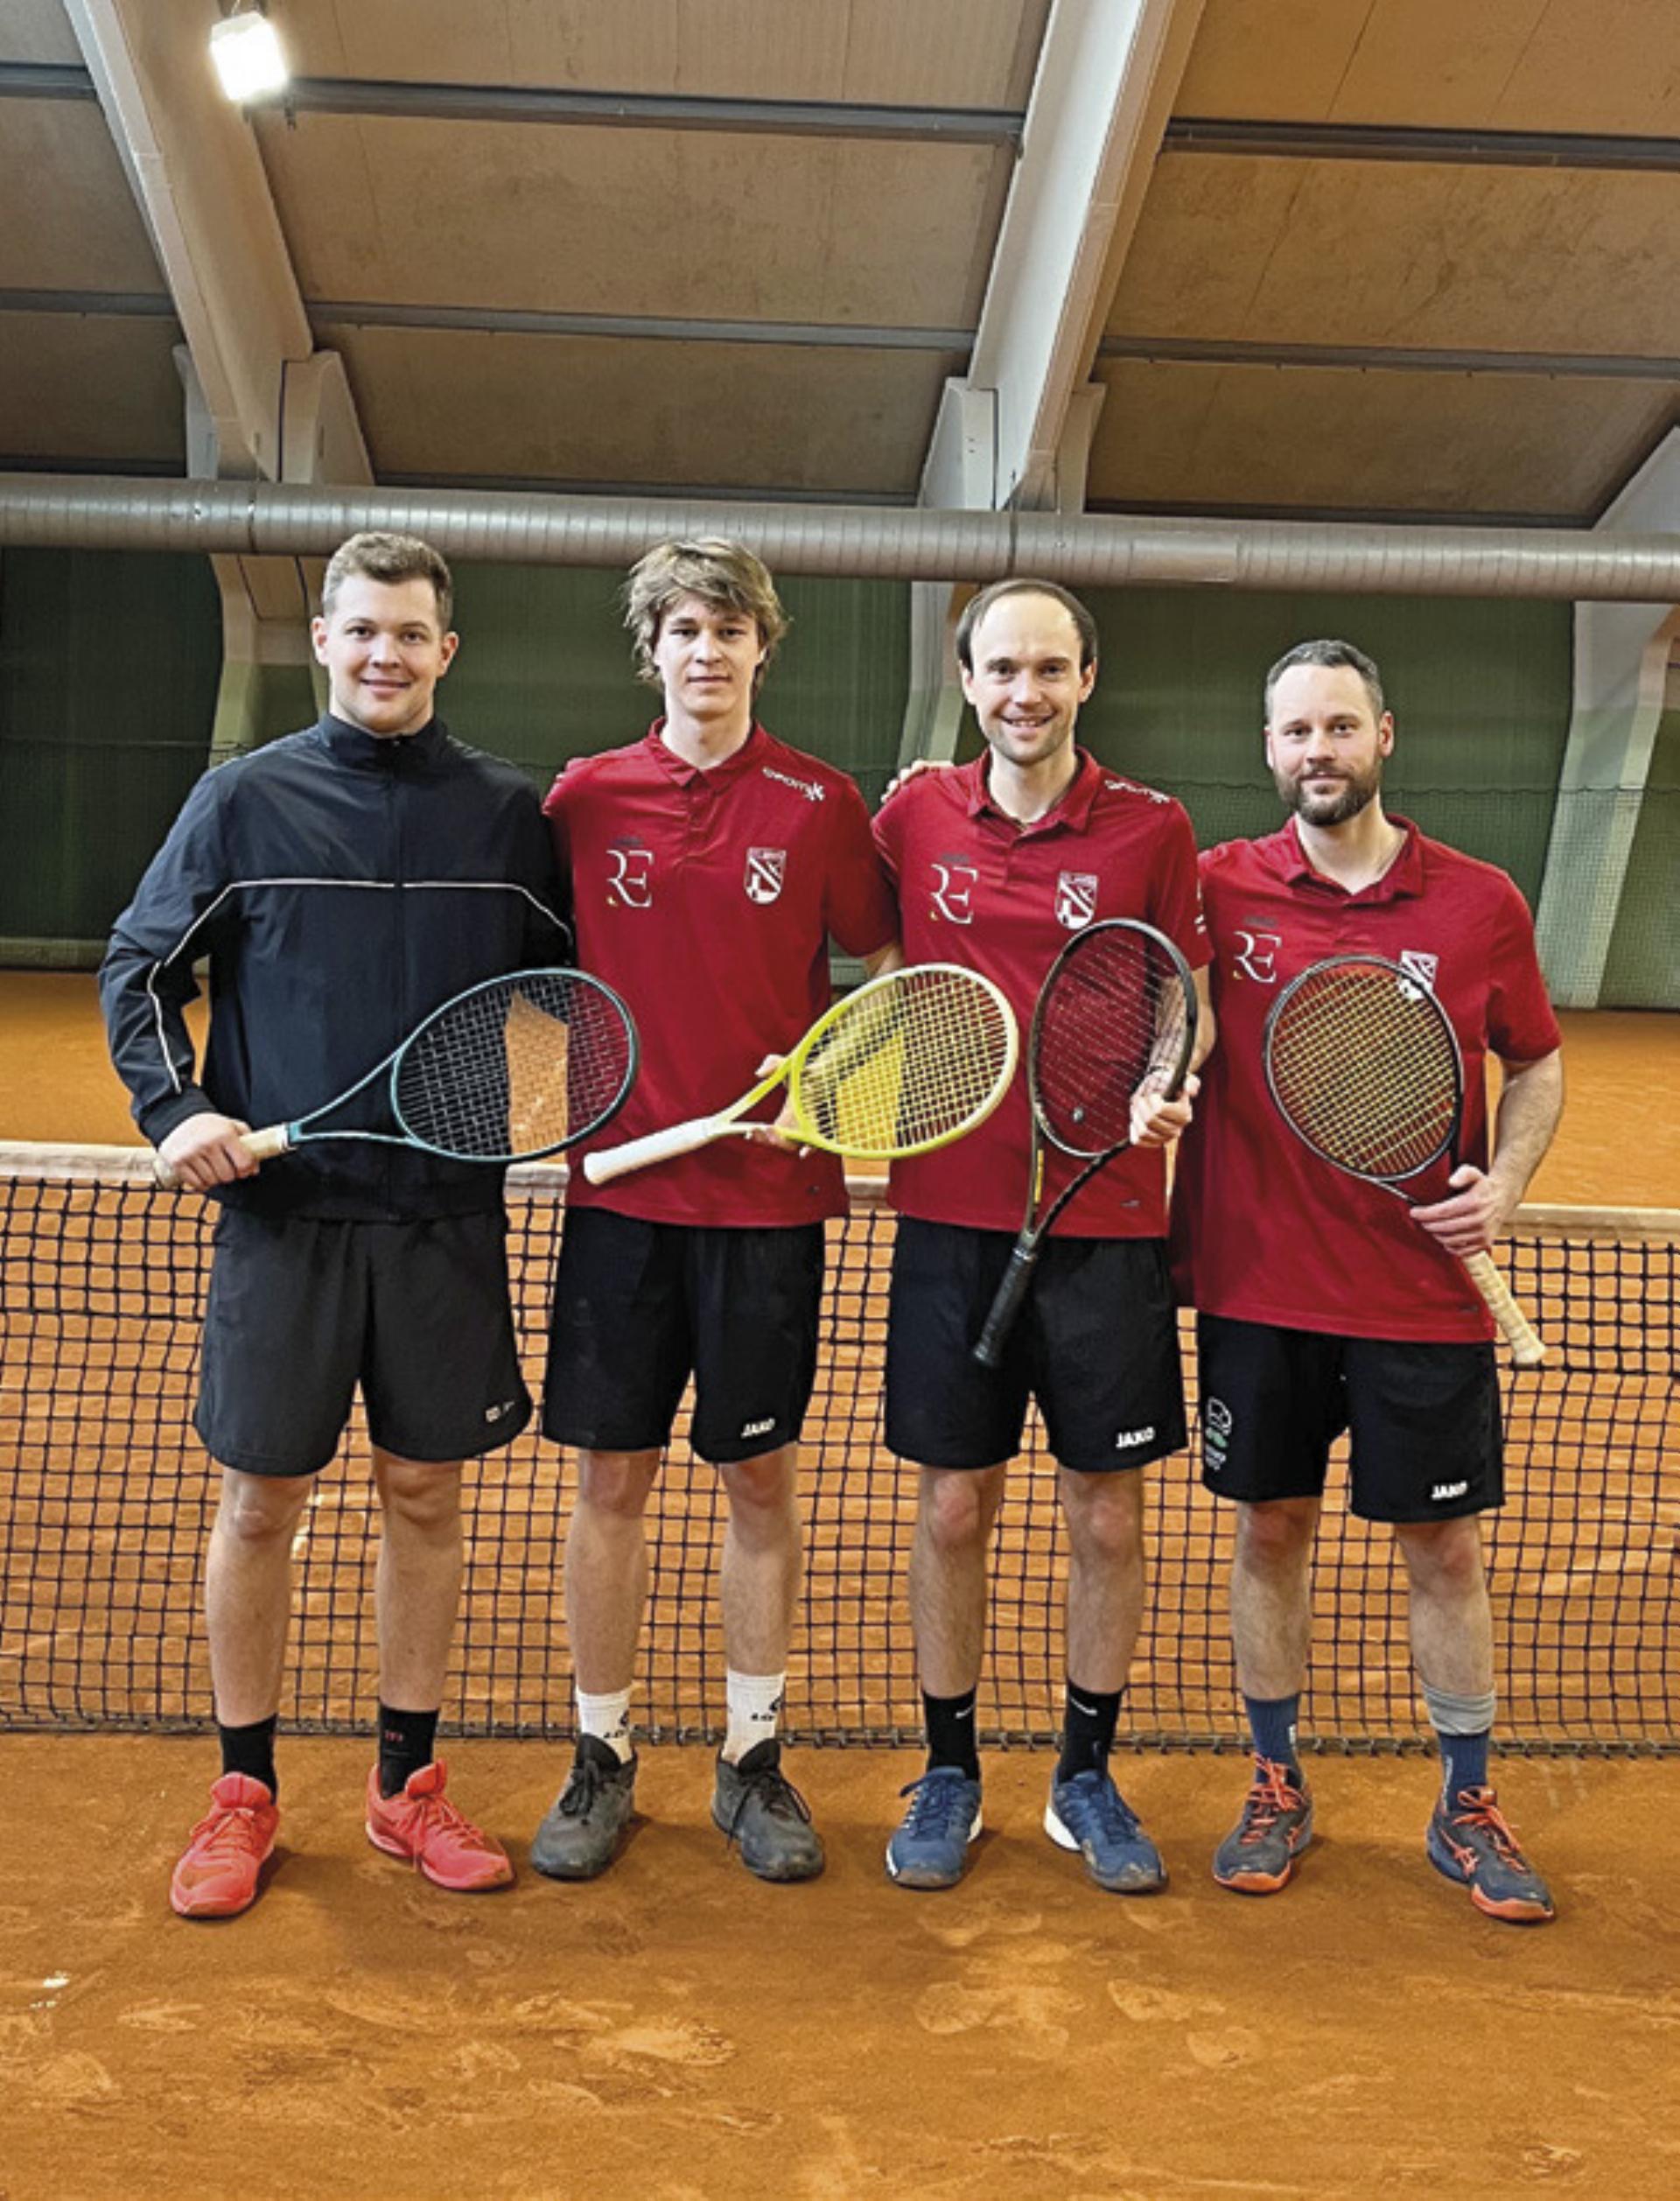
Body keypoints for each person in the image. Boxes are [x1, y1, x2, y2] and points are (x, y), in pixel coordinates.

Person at [102, 530, 568, 1918]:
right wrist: (173, 1108)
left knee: (427, 1497)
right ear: (324, 642)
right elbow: (139, 963)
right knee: (262, 1504)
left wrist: (517, 1107)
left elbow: (561, 990)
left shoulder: (506, 814)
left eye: (409, 633)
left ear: (446, 650)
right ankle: (243, 1792)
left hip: (441, 1222)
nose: (384, 653)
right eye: (361, 630)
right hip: (283, 1224)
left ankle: (404, 1788)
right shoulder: (242, 802)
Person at [1171, 637, 1565, 1924]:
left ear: (1384, 736)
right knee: (1268, 1532)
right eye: (1295, 732)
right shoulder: (1219, 891)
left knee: (1443, 1549)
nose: (1317, 753)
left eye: (1340, 728)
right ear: (1268, 749)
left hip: (1422, 1301)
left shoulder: (1478, 901)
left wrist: (1505, 1186)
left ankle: (1465, 1803)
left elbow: (1539, 1062)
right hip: (1260, 1288)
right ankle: (1277, 1780)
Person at [532, 538, 898, 1884]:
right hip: (620, 1200)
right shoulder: (583, 799)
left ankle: (752, 1761)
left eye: (731, 630)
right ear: (654, 650)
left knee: (758, 1480)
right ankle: (603, 1755)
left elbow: (893, 963)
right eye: (685, 629)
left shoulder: (817, 802)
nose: (708, 651)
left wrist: (838, 1083)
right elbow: (527, 958)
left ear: (763, 648)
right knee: (609, 1480)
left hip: (768, 1201)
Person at [872, 578, 1213, 1893]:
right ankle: (949, 1768)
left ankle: (1084, 1771)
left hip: (1109, 1218)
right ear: (967, 682)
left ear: (1087, 680)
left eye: (1051, 669)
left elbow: (1187, 992)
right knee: (954, 1506)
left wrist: (1165, 1078)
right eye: (1003, 669)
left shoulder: (1151, 828)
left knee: (1108, 1519)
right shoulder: (909, 815)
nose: (1027, 692)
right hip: (951, 1216)